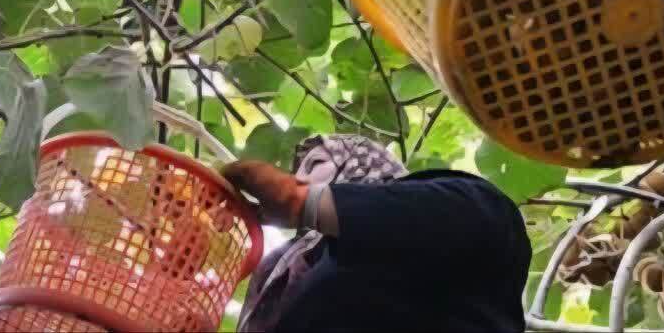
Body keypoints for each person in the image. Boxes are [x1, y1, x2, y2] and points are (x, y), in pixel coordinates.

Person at [222, 134, 530, 332]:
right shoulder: (289, 276)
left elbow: (476, 222)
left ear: (361, 160)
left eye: (315, 164)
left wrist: (304, 202)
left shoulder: (468, 204)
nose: (298, 177)